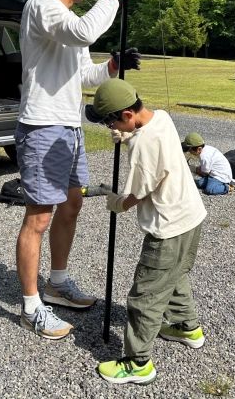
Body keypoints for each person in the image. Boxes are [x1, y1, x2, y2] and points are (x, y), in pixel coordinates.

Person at [15, 0, 138, 340]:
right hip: (42, 126)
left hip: (68, 127)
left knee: (70, 205)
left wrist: (114, 66)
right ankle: (31, 305)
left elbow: (86, 76)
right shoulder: (42, 4)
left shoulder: (66, 20)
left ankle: (58, 283)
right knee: (38, 217)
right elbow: (86, 28)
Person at [85, 79, 207, 385]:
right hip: (192, 217)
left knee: (145, 295)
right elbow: (150, 142)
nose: (107, 126)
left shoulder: (141, 145)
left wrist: (114, 202)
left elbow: (135, 196)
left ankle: (138, 363)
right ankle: (187, 327)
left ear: (127, 115)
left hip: (168, 228)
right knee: (175, 275)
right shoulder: (162, 117)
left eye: (109, 121)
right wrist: (125, 137)